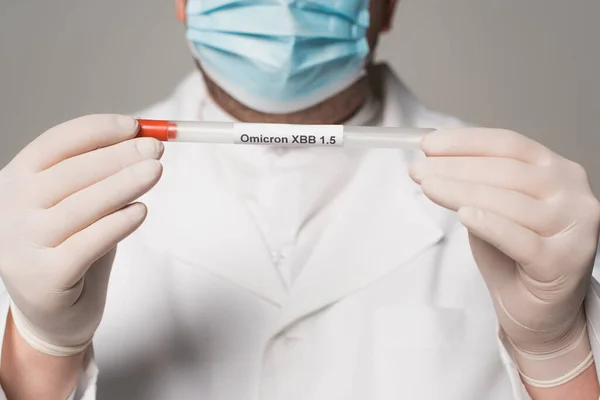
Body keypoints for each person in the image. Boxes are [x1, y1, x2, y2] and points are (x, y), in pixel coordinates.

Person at [0, 0, 599, 399]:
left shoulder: (537, 219)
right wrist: (43, 346)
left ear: (386, 4)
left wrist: (556, 351)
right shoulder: (46, 211)